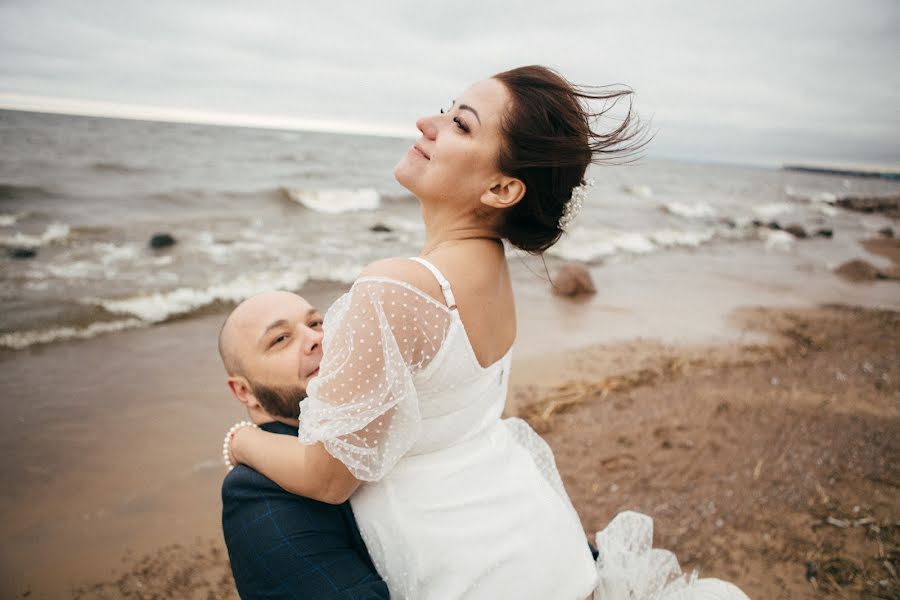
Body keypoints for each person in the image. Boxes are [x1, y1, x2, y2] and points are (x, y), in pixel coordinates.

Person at [224, 66, 749, 599]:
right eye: (447, 110)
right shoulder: (489, 271)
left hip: (469, 569)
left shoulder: (395, 287)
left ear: (502, 189)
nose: (428, 123)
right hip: (542, 544)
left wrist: (240, 440)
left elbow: (327, 479)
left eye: (460, 124)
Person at [218, 291, 388, 599]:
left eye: (316, 322)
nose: (315, 338)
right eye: (281, 339)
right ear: (245, 392)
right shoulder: (255, 492)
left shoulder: (372, 423)